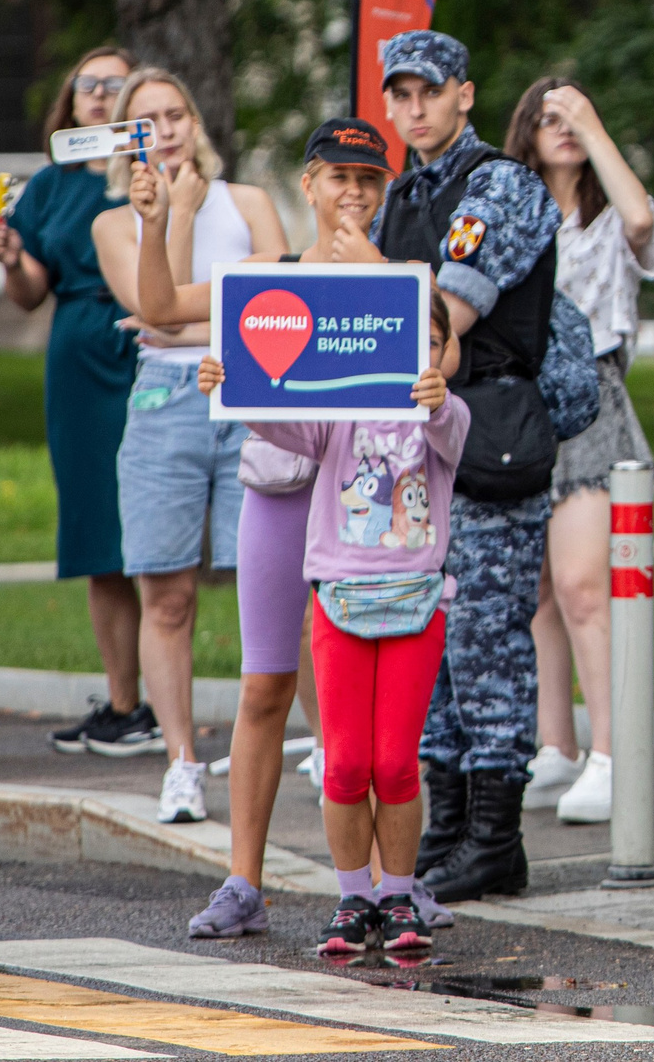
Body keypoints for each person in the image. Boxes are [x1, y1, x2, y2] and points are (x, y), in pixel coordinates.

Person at [140, 119, 393, 939]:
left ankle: (390, 884)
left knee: (370, 698)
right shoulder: (264, 279)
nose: (353, 192)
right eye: (338, 176)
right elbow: (160, 307)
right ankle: (243, 882)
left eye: (369, 179)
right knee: (265, 684)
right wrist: (157, 221)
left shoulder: (397, 280)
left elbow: (442, 360)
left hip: (366, 510)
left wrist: (377, 276)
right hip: (281, 495)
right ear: (309, 184)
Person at [359, 30, 596, 903]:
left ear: (465, 92)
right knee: (433, 641)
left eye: (430, 90)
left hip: (486, 432)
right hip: (414, 441)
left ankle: (496, 840)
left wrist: (361, 311)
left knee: (487, 641)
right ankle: (450, 827)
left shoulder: (501, 184)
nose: (414, 107)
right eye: (401, 94)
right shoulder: (400, 195)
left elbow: (446, 313)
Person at [197, 296, 466, 957]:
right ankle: (353, 899)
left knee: (395, 763)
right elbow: (278, 423)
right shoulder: (337, 412)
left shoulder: (448, 414)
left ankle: (396, 894)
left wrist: (435, 398)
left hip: (415, 604)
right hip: (339, 603)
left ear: (445, 352)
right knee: (345, 764)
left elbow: (448, 429)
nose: (419, 357)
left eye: (431, 344)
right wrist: (231, 385)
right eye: (407, 342)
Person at [91, 69, 289, 825]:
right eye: (146, 121)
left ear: (196, 121)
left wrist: (174, 321)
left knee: (269, 581)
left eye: (176, 114)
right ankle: (181, 761)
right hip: (165, 402)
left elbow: (282, 304)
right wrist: (173, 216)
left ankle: (277, 741)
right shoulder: (114, 224)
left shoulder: (250, 203)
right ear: (126, 139)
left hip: (251, 394)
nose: (166, 130)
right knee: (166, 593)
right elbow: (159, 307)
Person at [507, 76, 654, 827]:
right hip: (519, 402)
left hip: (593, 396)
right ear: (526, 133)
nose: (565, 128)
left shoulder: (609, 220)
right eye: (550, 118)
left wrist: (592, 127)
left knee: (582, 584)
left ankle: (614, 752)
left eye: (576, 116)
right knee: (539, 587)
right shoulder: (515, 216)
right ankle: (557, 746)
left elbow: (640, 219)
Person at [0, 45, 152, 757]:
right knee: (95, 531)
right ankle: (123, 703)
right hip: (77, 358)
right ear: (71, 96)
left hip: (146, 343)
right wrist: (10, 260)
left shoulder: (148, 169)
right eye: (88, 83)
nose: (99, 94)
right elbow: (30, 291)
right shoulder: (50, 184)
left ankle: (167, 698)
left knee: (153, 525)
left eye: (115, 84)